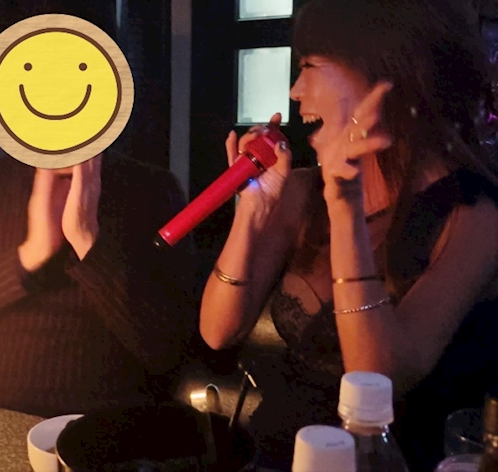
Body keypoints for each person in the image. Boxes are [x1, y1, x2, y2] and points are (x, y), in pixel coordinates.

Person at [198, 0, 498, 470]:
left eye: (310, 66)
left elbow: (379, 381)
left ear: (383, 71)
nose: (295, 90)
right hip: (279, 450)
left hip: (388, 458)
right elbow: (218, 331)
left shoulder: (474, 213)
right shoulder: (302, 191)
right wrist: (252, 212)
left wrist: (346, 213)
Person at [0, 150, 200, 418]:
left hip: (107, 425)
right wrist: (32, 253)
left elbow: (170, 350)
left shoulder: (154, 189)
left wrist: (86, 240)